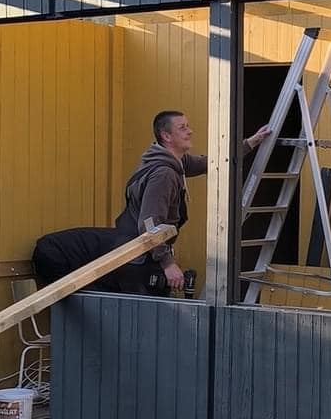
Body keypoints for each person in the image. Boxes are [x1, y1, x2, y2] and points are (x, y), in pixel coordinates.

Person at [116, 110, 272, 295]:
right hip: (139, 259)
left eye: (188, 126)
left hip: (144, 253)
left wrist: (250, 143)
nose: (190, 131)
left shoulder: (174, 160)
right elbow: (149, 223)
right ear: (166, 136)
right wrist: (167, 263)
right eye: (182, 128)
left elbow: (210, 163)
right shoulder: (164, 174)